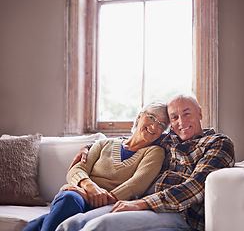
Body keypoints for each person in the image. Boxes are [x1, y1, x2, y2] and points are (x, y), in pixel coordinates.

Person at [56, 94, 235, 231]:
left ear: (200, 113)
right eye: (174, 118)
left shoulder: (217, 143)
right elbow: (133, 139)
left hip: (180, 214)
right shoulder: (169, 139)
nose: (181, 122)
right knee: (72, 224)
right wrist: (89, 146)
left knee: (99, 226)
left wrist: (142, 203)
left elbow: (195, 187)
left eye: (186, 114)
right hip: (143, 205)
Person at [23, 102, 170, 231]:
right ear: (139, 117)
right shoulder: (103, 144)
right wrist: (89, 187)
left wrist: (97, 198)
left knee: (54, 215)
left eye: (161, 124)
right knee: (69, 198)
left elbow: (136, 185)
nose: (154, 125)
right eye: (151, 118)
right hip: (80, 195)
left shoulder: (155, 152)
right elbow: (77, 169)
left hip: (110, 202)